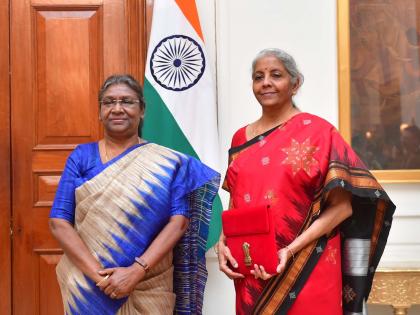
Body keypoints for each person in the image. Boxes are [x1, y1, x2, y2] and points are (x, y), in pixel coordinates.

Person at [217, 48, 395, 315]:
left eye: (276, 75)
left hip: (308, 264)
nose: (265, 82)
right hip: (254, 269)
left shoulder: (319, 133)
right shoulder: (240, 139)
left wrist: (289, 251)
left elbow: (343, 208)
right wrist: (223, 244)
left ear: (295, 83)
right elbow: (236, 203)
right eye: (258, 76)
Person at [49, 74, 220, 314]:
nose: (117, 108)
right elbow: (59, 222)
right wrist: (102, 279)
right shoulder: (81, 157)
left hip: (150, 283)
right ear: (100, 112)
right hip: (88, 287)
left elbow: (179, 222)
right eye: (109, 102)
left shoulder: (167, 163)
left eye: (127, 102)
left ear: (142, 110)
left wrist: (136, 271)